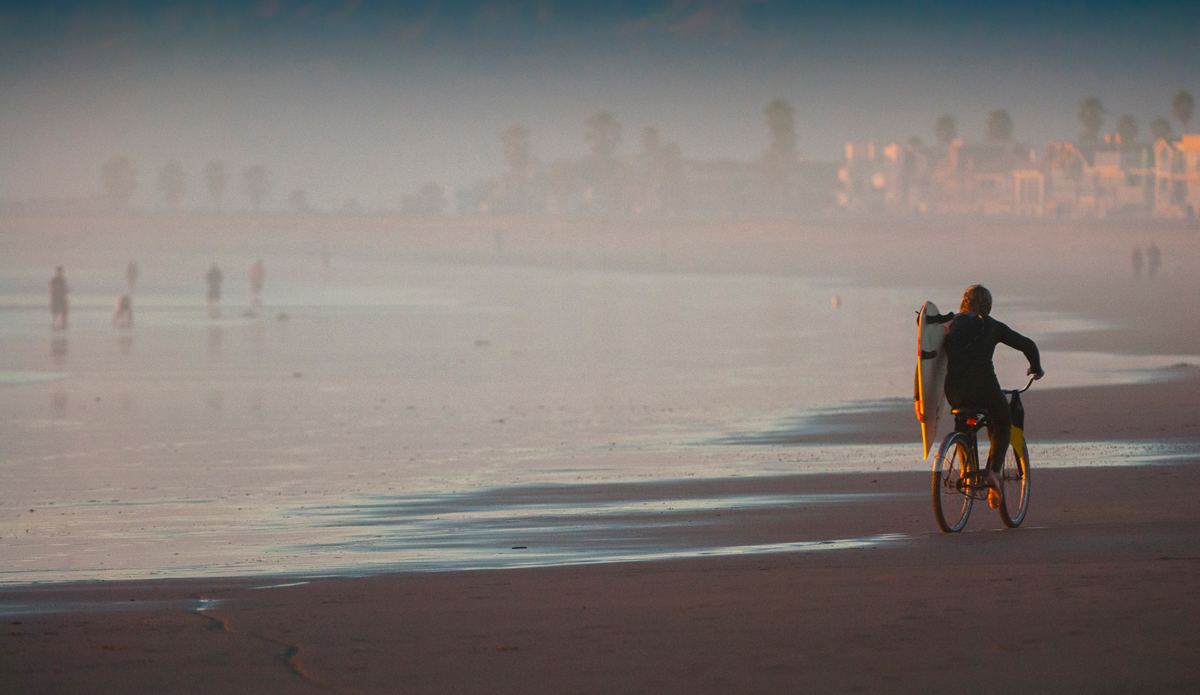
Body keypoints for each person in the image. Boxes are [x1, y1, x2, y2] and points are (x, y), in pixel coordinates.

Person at [927, 286, 1043, 508]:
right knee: (1003, 420)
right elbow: (1028, 345)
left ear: (964, 302)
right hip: (985, 388)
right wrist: (1036, 368)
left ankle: (966, 464)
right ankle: (992, 473)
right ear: (988, 306)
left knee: (963, 419)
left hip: (955, 392)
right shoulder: (992, 325)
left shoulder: (949, 324)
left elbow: (928, 347)